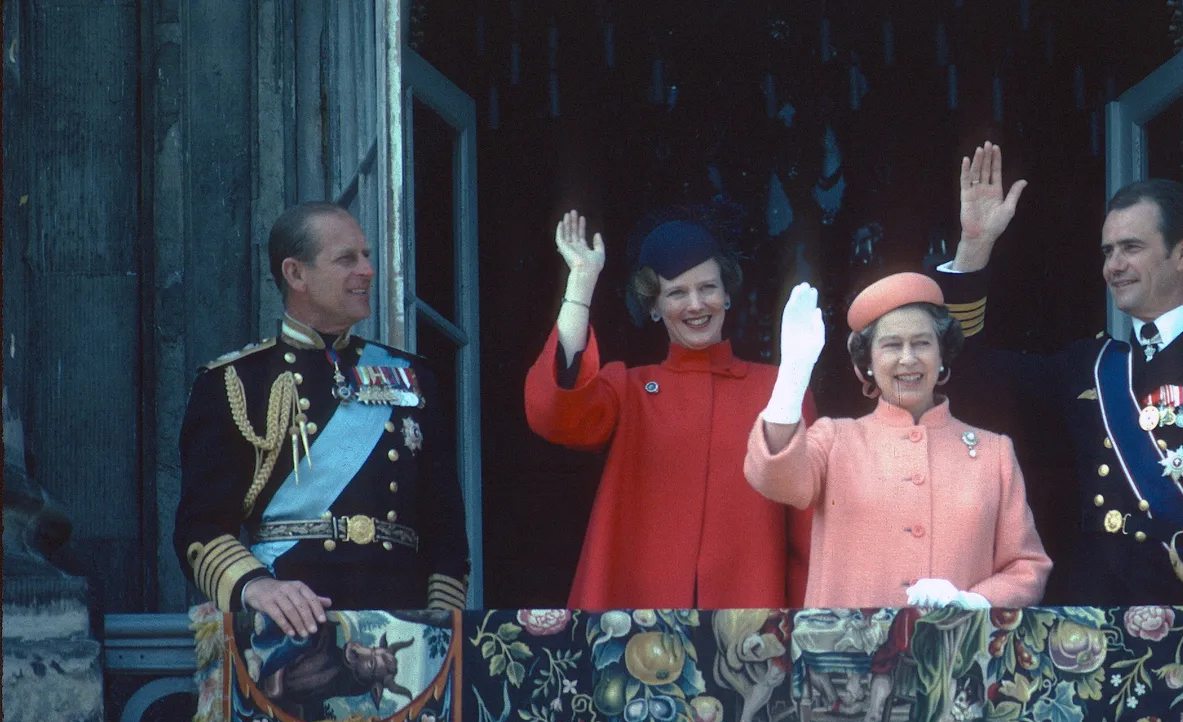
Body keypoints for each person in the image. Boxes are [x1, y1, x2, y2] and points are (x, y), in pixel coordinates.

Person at [954, 168, 1183, 605]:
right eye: (1108, 251)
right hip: (1095, 627)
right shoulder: (1086, 368)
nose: (1114, 266)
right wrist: (974, 247)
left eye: (1132, 248)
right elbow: (966, 371)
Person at [174, 203, 470, 636]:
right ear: (296, 274)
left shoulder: (411, 377)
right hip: (291, 625)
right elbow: (201, 526)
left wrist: (441, 623)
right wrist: (258, 588)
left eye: (366, 256)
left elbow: (446, 530)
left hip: (403, 626)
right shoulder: (237, 381)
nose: (368, 271)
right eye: (348, 259)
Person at [524, 210, 811, 610]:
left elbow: (807, 521)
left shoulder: (778, 388)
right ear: (654, 307)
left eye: (708, 287)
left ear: (727, 294)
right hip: (639, 616)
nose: (696, 304)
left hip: (750, 617)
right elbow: (552, 412)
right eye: (676, 293)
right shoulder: (629, 388)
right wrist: (581, 282)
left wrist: (812, 621)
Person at [743, 272, 1051, 610]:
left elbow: (1026, 568)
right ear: (869, 362)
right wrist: (793, 374)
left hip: (956, 654)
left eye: (922, 343)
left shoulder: (995, 453)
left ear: (943, 354)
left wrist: (971, 602)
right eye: (891, 345)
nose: (908, 358)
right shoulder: (835, 439)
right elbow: (774, 479)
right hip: (846, 657)